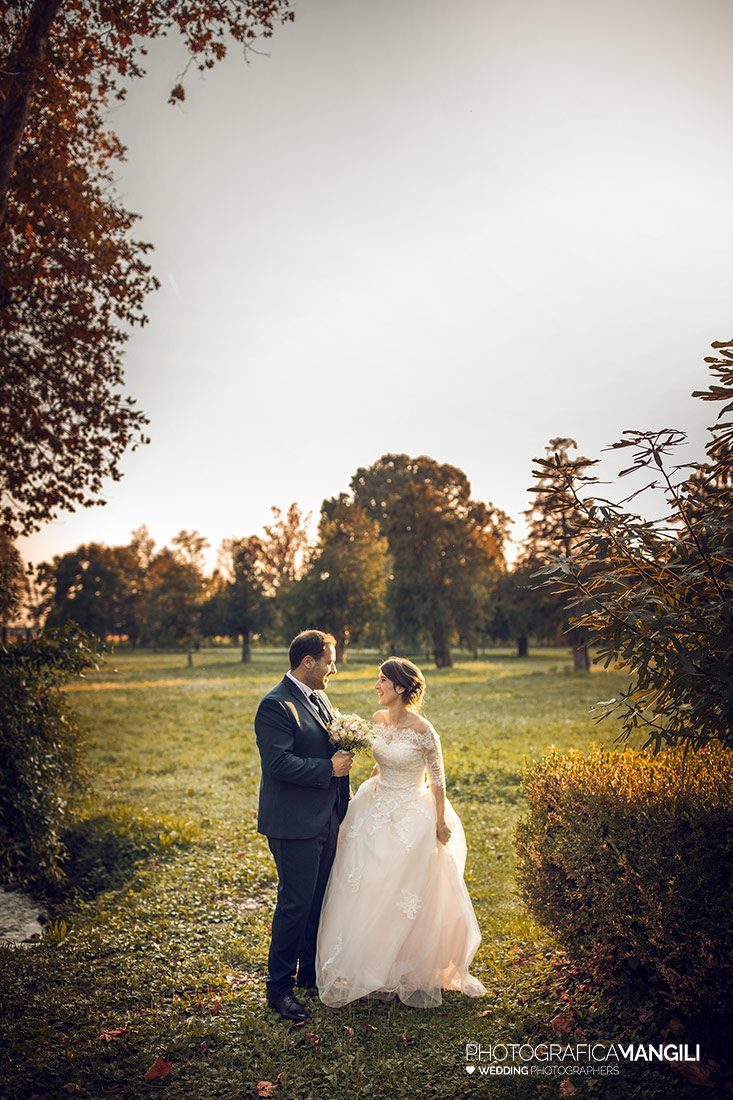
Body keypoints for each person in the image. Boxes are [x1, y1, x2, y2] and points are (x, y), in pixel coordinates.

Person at [316, 656, 486, 1009]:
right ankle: (368, 960)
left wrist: (439, 822)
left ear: (400, 687)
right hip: (376, 804)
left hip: (411, 811)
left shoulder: (424, 730)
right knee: (365, 881)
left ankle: (405, 963)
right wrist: (367, 785)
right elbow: (381, 763)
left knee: (404, 889)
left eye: (382, 680)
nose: (376, 686)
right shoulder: (378, 719)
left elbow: (437, 781)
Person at [254, 630, 353, 1022]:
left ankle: (309, 974)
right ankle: (279, 989)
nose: (333, 669)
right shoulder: (275, 705)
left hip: (327, 816)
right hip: (293, 823)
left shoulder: (319, 697)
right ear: (308, 662)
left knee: (318, 901)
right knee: (295, 904)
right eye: (329, 662)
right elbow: (278, 764)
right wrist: (328, 768)